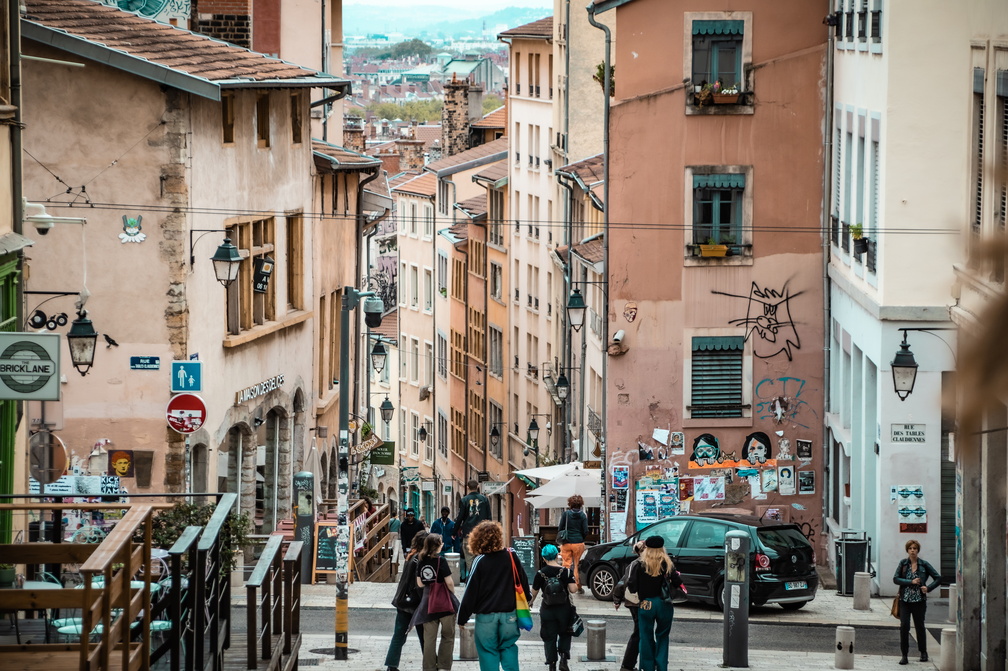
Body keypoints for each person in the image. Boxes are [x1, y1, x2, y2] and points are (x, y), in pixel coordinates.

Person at [457, 520, 530, 671]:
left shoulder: (479, 561)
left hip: (486, 616)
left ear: (477, 540)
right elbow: (523, 581)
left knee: (488, 651)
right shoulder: (511, 555)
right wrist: (527, 599)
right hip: (509, 614)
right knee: (508, 647)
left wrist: (462, 617)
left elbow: (470, 592)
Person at [627, 536, 684, 671]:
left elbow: (632, 586)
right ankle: (662, 667)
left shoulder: (640, 564)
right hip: (664, 603)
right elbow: (677, 581)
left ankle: (647, 667)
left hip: (646, 604)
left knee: (645, 637)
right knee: (663, 636)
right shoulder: (667, 563)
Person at [410, 532, 459, 671]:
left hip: (428, 603)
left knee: (429, 639)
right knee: (448, 636)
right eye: (441, 543)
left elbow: (419, 584)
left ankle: (429, 667)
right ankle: (444, 666)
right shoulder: (441, 561)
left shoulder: (420, 560)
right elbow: (449, 582)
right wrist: (451, 594)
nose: (442, 544)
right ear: (437, 546)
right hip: (445, 604)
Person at [529, 544, 577, 671]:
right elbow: (573, 590)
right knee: (565, 634)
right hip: (564, 609)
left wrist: (530, 603)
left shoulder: (540, 573)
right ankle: (563, 660)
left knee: (549, 637)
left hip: (547, 609)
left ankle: (552, 664)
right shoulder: (566, 571)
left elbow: (533, 593)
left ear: (544, 558)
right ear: (557, 555)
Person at [893, 539, 941, 665]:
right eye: (910, 548)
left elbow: (938, 578)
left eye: (914, 548)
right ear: (907, 550)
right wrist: (911, 581)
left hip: (919, 601)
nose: (912, 550)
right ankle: (904, 655)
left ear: (918, 550)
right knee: (904, 627)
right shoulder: (903, 563)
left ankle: (923, 652)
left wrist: (928, 588)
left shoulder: (924, 564)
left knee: (919, 627)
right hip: (905, 601)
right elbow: (896, 579)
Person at [384, 532, 427, 671]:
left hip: (403, 600)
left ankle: (391, 665)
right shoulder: (420, 559)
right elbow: (418, 585)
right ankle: (430, 665)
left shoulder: (411, 556)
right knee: (425, 637)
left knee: (399, 635)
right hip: (415, 603)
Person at [613, 540, 646, 671]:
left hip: (632, 601)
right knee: (639, 633)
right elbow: (625, 582)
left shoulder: (633, 564)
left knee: (640, 631)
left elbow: (621, 582)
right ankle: (627, 665)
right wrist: (617, 599)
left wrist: (617, 599)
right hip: (636, 601)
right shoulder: (638, 564)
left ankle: (629, 664)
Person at [454, 480, 491, 581]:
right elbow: (489, 518)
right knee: (482, 558)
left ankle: (473, 580)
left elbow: (460, 518)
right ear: (477, 486)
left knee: (470, 560)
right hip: (482, 535)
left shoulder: (464, 500)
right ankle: (483, 580)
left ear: (467, 487)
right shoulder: (485, 499)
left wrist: (454, 532)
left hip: (468, 534)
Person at [558, 494, 590, 591]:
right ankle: (577, 586)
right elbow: (585, 530)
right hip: (578, 543)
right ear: (581, 504)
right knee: (577, 565)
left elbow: (560, 528)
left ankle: (564, 585)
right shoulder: (583, 516)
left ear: (570, 504)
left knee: (566, 564)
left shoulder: (566, 514)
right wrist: (580, 538)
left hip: (566, 542)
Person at [388, 509, 403, 580]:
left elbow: (388, 526)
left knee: (390, 543)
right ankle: (394, 552)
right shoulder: (398, 521)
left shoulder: (390, 520)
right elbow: (400, 527)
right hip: (396, 532)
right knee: (395, 543)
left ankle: (390, 551)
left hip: (391, 532)